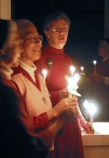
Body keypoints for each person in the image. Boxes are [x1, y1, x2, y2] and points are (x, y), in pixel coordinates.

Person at [0, 18, 79, 158]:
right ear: (2, 49)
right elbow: (31, 147)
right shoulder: (3, 91)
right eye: (18, 42)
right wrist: (61, 120)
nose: (20, 48)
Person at [12, 19, 79, 158]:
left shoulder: (39, 78)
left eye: (39, 39)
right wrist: (56, 111)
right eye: (33, 39)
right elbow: (21, 127)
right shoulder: (15, 79)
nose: (39, 43)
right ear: (18, 43)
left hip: (47, 145)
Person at [35, 11, 93, 158]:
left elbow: (72, 94)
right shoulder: (40, 58)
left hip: (71, 121)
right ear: (46, 33)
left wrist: (81, 120)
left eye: (65, 29)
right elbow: (35, 96)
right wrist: (57, 95)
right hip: (54, 122)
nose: (62, 33)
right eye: (56, 29)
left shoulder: (68, 60)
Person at [85, 38, 109, 122]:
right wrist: (88, 80)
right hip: (95, 96)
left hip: (105, 98)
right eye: (99, 47)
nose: (100, 49)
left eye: (103, 47)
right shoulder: (98, 63)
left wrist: (102, 79)